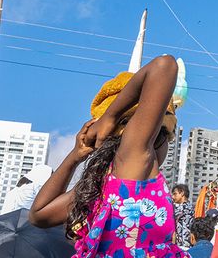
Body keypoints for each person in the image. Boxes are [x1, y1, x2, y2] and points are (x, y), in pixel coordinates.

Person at [28, 56, 184, 258]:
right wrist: (111, 117)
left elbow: (39, 215)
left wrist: (76, 156)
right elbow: (165, 66)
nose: (164, 146)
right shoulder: (134, 156)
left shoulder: (101, 186)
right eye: (161, 135)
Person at [171, 184, 194, 249]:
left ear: (182, 193)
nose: (173, 197)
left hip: (180, 245)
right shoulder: (191, 208)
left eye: (175, 194)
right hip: (188, 245)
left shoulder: (180, 208)